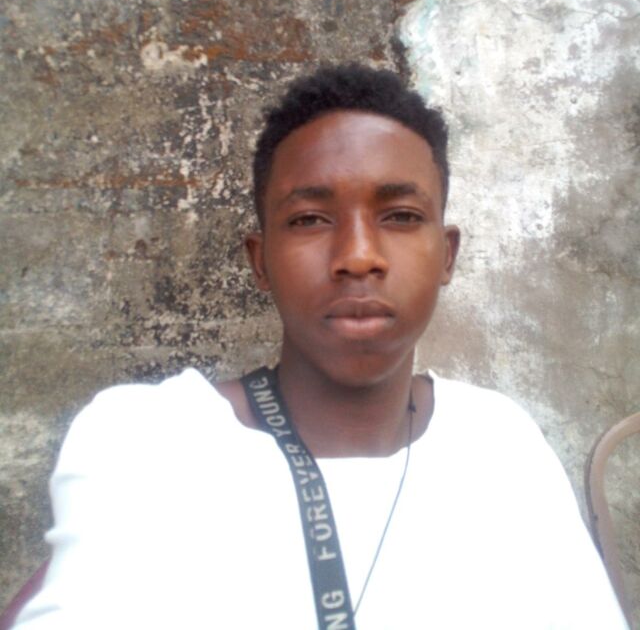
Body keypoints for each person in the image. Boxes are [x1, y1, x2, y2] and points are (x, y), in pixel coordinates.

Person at [13, 64, 628, 629]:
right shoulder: (150, 441)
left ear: (447, 256)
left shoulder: (499, 442)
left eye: (400, 216)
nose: (358, 255)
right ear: (260, 261)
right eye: (309, 219)